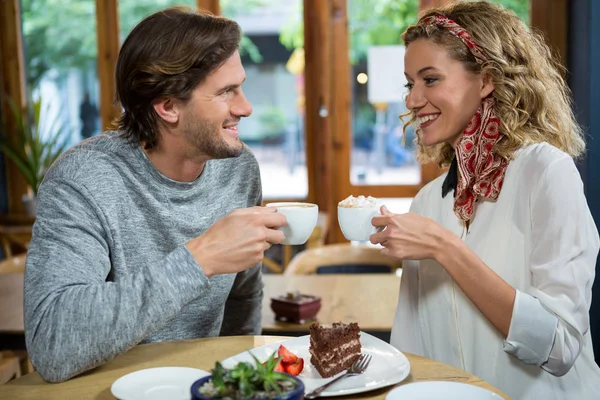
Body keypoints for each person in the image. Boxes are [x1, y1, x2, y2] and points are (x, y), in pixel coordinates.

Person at [24, 7, 286, 383]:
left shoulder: (238, 168)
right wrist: (200, 259)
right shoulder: (83, 181)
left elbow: (242, 300)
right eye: (227, 91)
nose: (245, 107)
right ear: (167, 106)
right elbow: (52, 342)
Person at [369, 2, 600, 399]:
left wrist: (445, 248)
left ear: (487, 79)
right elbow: (412, 346)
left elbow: (559, 347)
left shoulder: (547, 173)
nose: (412, 100)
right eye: (411, 84)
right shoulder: (427, 202)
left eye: (431, 79)